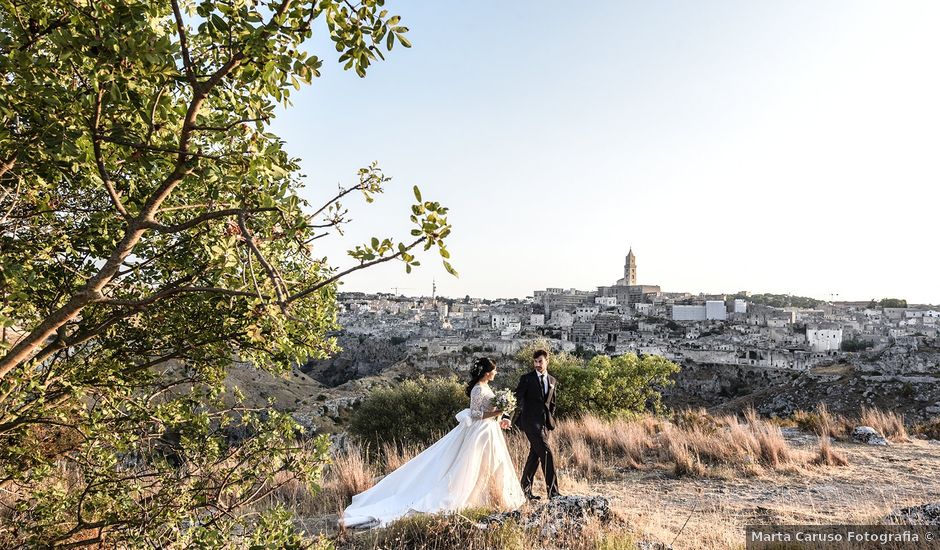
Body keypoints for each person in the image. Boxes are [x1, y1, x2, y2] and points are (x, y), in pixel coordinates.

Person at [341, 358, 525, 528]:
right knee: (472, 464)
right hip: (480, 431)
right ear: (486, 372)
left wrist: (500, 417)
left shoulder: (485, 386)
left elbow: (487, 410)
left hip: (489, 430)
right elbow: (475, 413)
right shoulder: (478, 388)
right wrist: (496, 413)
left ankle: (493, 496)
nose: (496, 372)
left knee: (491, 464)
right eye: (494, 370)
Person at [513, 348, 560, 500]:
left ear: (547, 361)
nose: (537, 364)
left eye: (540, 361)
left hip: (545, 425)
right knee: (547, 454)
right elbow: (517, 398)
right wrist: (508, 415)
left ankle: (524, 492)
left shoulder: (552, 381)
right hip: (530, 422)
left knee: (535, 457)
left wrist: (550, 419)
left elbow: (552, 403)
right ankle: (553, 493)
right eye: (535, 361)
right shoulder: (526, 379)